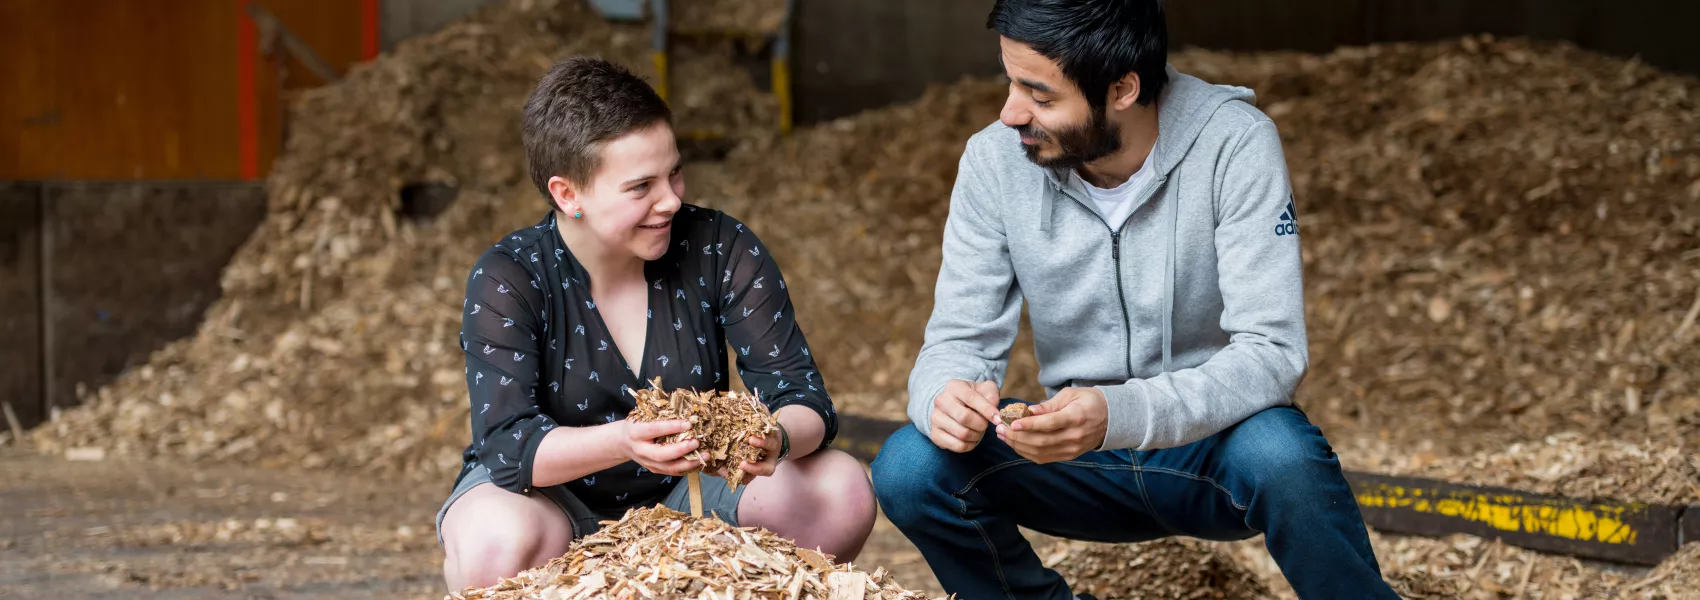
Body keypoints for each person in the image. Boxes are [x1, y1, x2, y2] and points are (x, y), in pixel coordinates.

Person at [870, 1, 1399, 598]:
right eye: (1010, 81)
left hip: (1212, 449)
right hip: (1072, 463)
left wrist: (1115, 415)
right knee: (911, 467)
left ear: (1123, 88)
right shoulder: (994, 161)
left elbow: (1272, 353)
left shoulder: (1235, 143)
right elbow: (957, 340)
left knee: (1285, 458)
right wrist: (946, 394)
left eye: (1041, 97)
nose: (1010, 112)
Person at [436, 56, 875, 590]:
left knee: (839, 487)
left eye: (675, 172)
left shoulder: (719, 246)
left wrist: (774, 439)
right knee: (496, 540)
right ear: (567, 194)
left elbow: (802, 395)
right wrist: (624, 440)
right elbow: (509, 445)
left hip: (696, 494)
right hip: (547, 500)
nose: (671, 200)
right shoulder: (510, 276)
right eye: (640, 186)